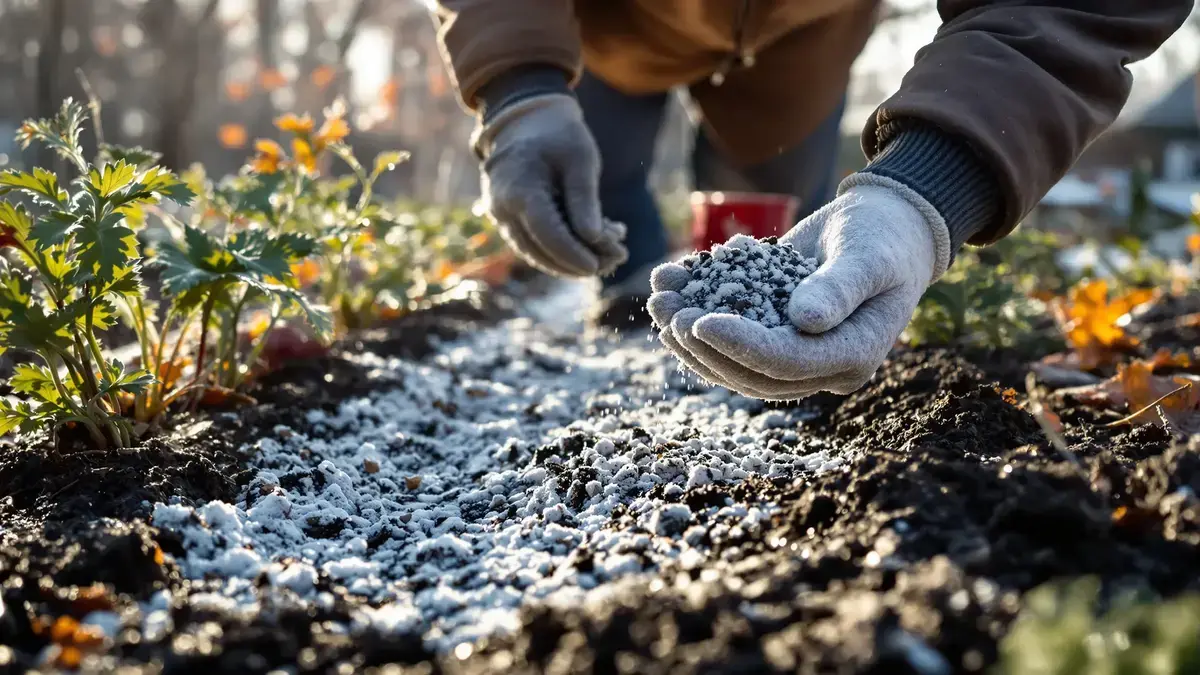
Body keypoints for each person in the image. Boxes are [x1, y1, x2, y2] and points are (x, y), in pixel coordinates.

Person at [430, 0, 1192, 399]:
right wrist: (519, 88)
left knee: (765, 215)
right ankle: (626, 307)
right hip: (609, 34)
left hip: (800, 42)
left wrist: (922, 193)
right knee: (606, 195)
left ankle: (713, 364)